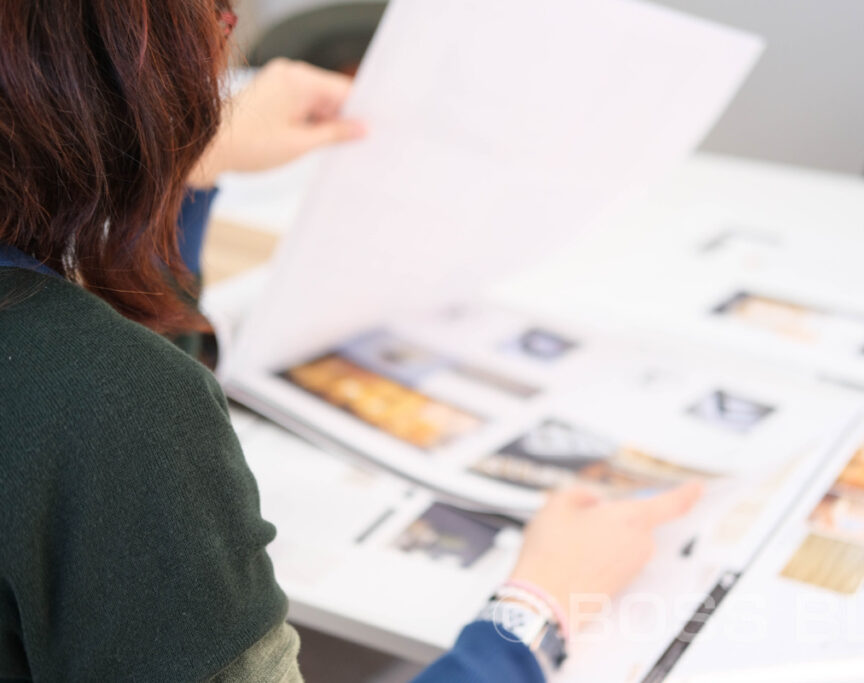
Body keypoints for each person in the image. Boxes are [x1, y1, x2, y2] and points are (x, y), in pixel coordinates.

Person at [0, 3, 700, 681]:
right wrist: (536, 611)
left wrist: (180, 165)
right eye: (214, 16)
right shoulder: (107, 406)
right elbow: (104, 399)